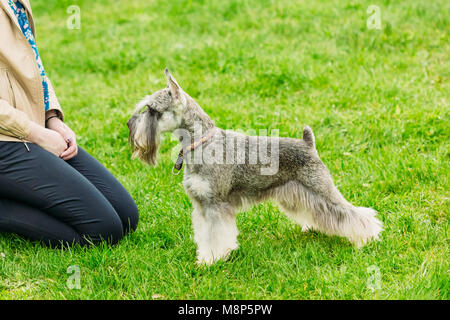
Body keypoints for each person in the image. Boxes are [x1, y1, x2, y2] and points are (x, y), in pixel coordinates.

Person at [0, 0, 138, 247]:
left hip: (29, 127)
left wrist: (51, 117)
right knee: (102, 230)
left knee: (126, 215)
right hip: (6, 139)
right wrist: (36, 134)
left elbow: (32, 62)